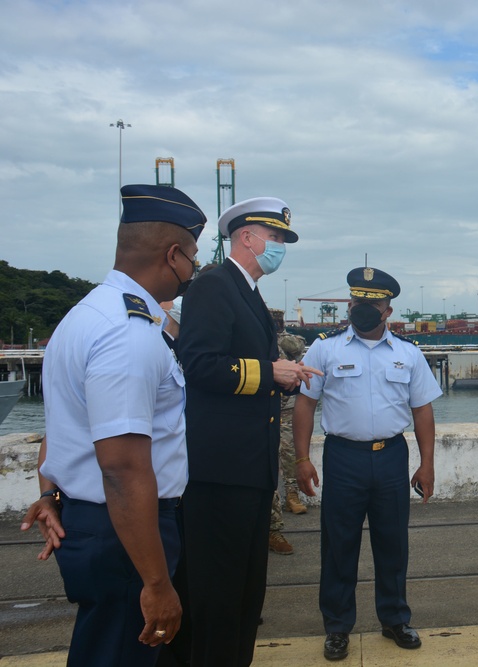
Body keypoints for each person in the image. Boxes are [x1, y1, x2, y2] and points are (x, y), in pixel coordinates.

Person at [20, 184, 205, 665]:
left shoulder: (83, 316)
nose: (193, 271)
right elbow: (122, 468)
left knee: (101, 647)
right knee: (121, 651)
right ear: (173, 255)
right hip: (126, 533)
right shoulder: (128, 334)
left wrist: (48, 494)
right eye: (193, 258)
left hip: (93, 520)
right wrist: (157, 582)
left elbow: (63, 423)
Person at [176, 197, 319, 666]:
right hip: (221, 474)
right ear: (246, 237)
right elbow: (199, 365)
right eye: (276, 238)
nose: (280, 247)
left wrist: (279, 370)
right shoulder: (214, 287)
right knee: (219, 596)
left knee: (245, 595)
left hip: (249, 473)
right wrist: (269, 372)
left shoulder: (247, 292)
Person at [293, 266, 441, 662]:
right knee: (339, 546)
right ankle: (337, 627)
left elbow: (423, 411)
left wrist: (426, 465)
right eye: (357, 301)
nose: (362, 308)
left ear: (387, 310)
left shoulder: (408, 354)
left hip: (392, 457)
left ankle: (395, 619)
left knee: (393, 544)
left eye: (372, 304)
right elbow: (305, 405)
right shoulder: (325, 348)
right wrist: (303, 458)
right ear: (350, 304)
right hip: (344, 458)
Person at [267, 307, 308, 557]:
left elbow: (297, 347)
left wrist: (278, 333)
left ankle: (291, 497)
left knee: (288, 453)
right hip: (264, 410)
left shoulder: (286, 341)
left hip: (286, 408)